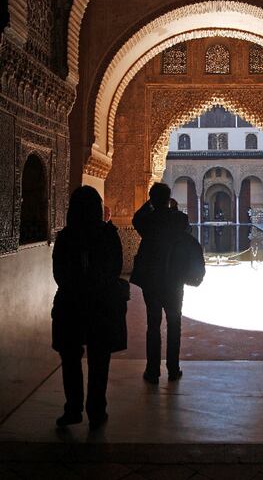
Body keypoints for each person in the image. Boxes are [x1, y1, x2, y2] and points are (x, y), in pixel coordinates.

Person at [52, 186, 127, 429]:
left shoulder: (66, 237)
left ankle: (73, 409)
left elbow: (59, 274)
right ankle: (96, 410)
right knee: (98, 359)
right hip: (101, 306)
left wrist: (77, 288)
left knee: (71, 359)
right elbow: (115, 268)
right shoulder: (108, 235)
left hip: (71, 305)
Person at [131, 182, 189, 384]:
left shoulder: (148, 219)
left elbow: (136, 219)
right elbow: (185, 231)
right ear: (168, 198)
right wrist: (172, 208)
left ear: (152, 198)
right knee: (174, 323)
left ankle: (152, 371)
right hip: (174, 280)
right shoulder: (179, 219)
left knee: (153, 324)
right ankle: (173, 369)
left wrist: (151, 203)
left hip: (152, 279)